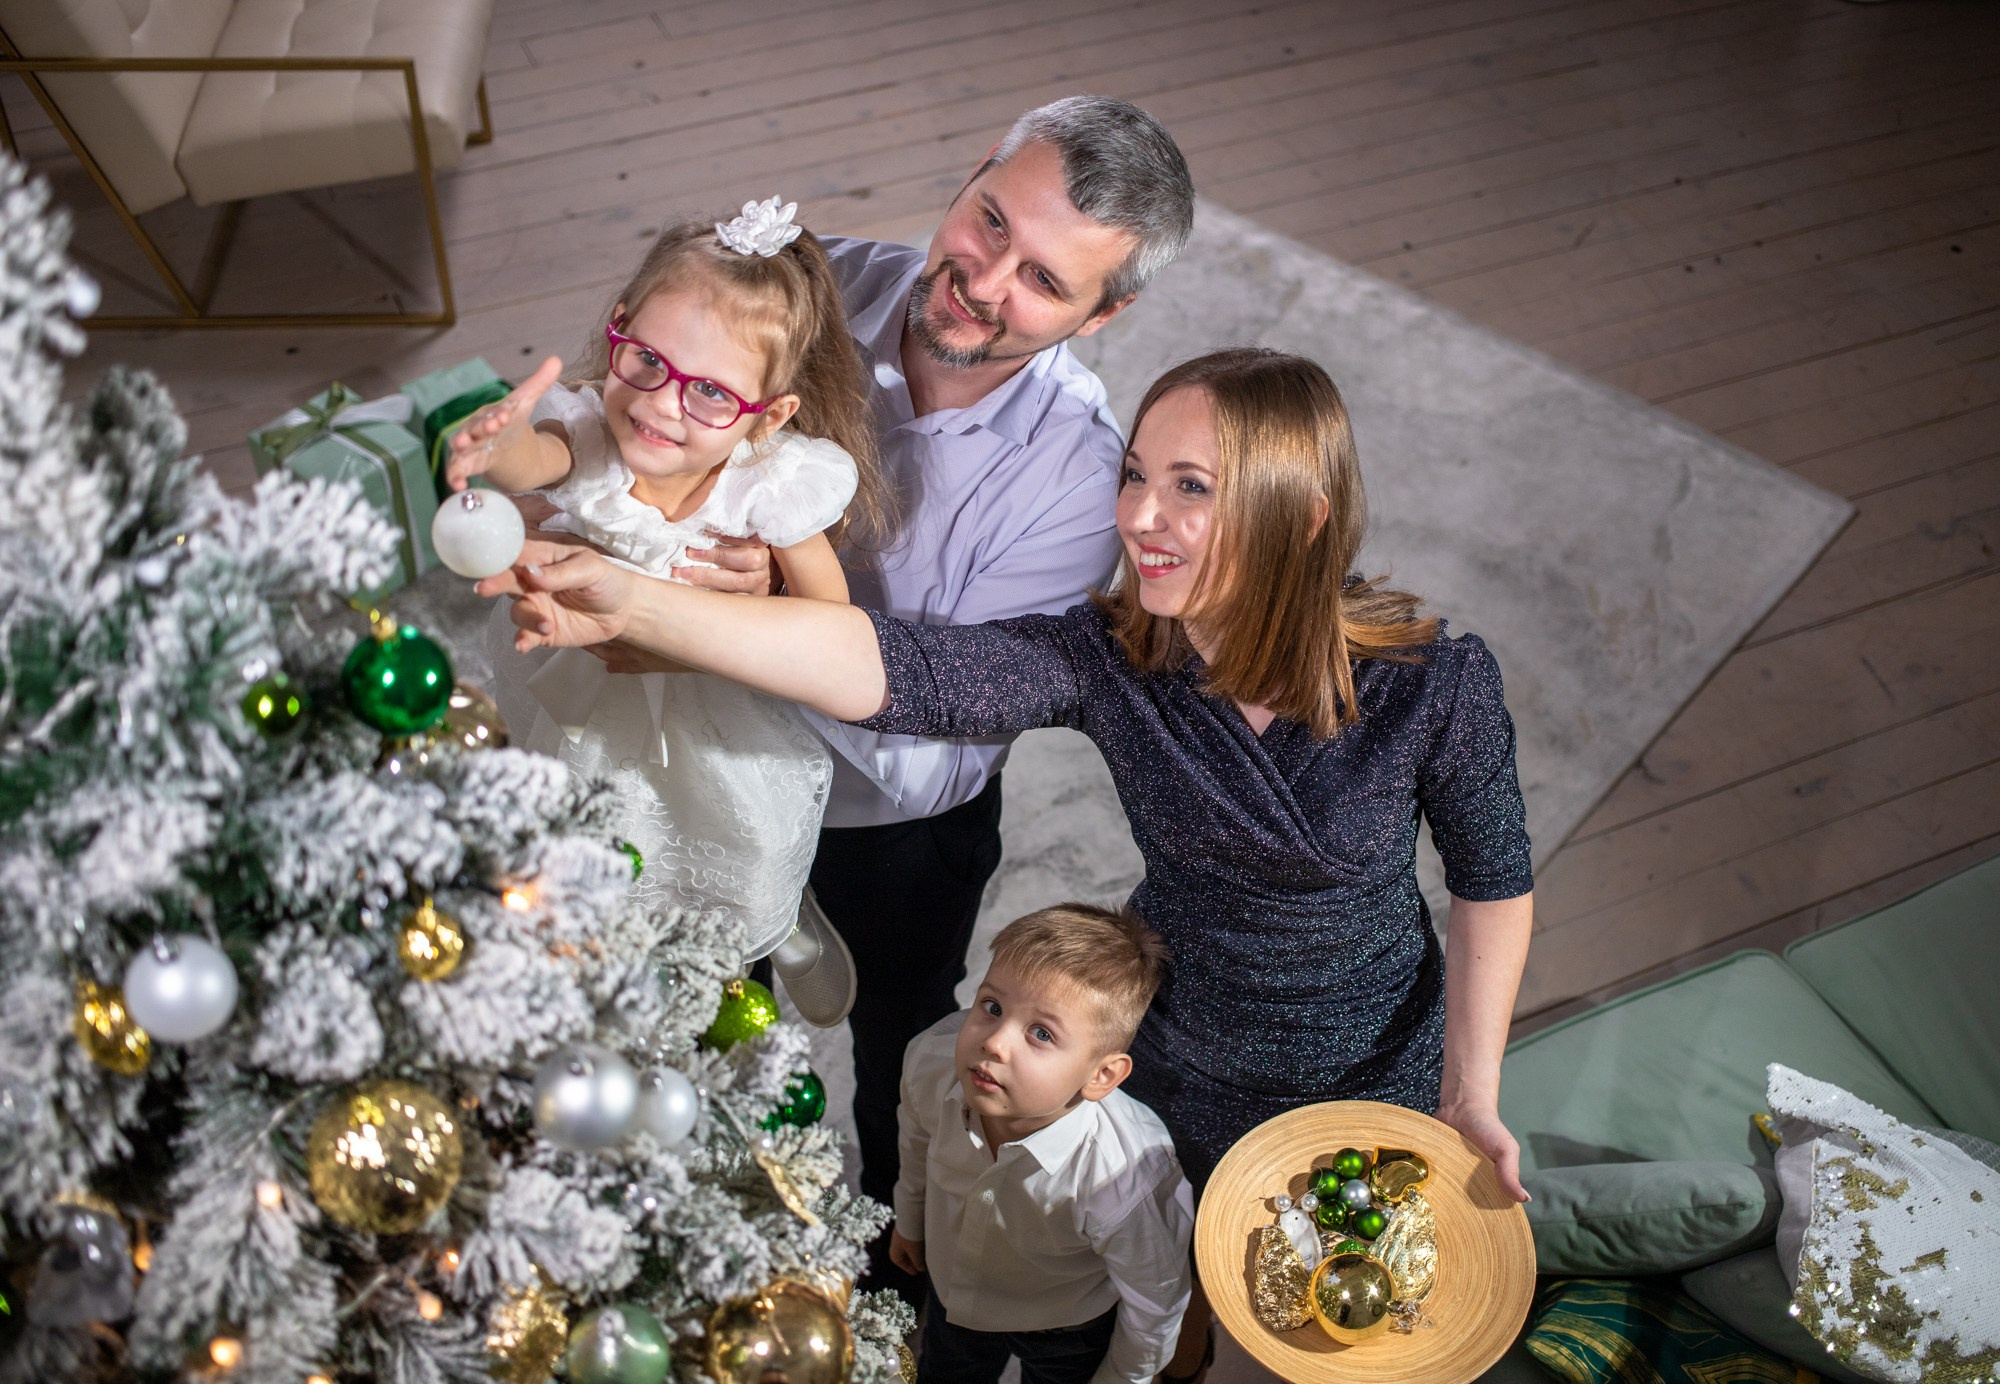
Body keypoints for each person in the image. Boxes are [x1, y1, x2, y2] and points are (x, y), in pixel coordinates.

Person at [480, 346, 1535, 1383]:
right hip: (1171, 1059)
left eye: (1190, 488)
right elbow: (906, 674)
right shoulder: (1113, 659)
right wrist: (639, 604)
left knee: (1340, 1331)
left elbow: (1491, 882)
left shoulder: (1434, 685)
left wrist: (1471, 1092)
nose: (1139, 517)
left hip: (1366, 1073)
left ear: (1300, 515)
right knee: (1166, 1309)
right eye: (1135, 475)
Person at [659, 95, 1195, 1294]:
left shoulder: (1076, 485)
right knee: (702, 1009)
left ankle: (892, 1268)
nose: (982, 283)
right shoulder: (806, 290)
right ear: (973, 169)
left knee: (903, 1049)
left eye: (1043, 281)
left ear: (1102, 314)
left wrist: (761, 611)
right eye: (989, 221)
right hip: (699, 751)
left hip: (889, 833)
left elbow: (929, 756)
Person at [444, 197, 886, 965]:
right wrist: (500, 439)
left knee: (731, 833)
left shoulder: (769, 484)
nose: (657, 402)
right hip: (586, 689)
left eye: (711, 391)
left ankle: (763, 924)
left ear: (769, 416)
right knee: (581, 822)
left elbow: (829, 625)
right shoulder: (588, 435)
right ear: (620, 325)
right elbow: (532, 461)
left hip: (712, 705)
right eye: (646, 358)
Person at [890, 902, 1191, 1384]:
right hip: (954, 1293)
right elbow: (915, 1141)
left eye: (1041, 1033)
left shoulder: (1125, 1177)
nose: (994, 1042)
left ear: (1101, 1076)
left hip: (1064, 1329)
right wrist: (909, 1217)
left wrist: (1119, 1378)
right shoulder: (931, 1062)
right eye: (992, 1007)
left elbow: (1155, 1300)